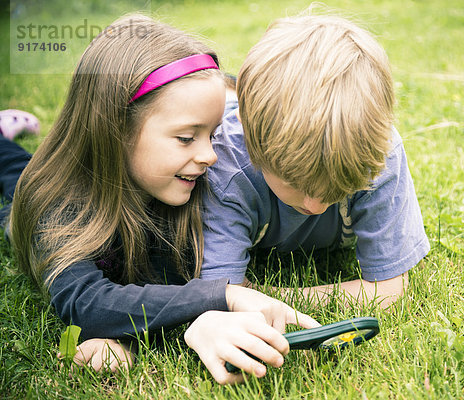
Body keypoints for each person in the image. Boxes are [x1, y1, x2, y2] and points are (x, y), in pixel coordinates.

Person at [2, 15, 318, 385]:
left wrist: (133, 336)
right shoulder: (55, 207)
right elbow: (86, 302)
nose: (210, 155)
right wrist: (223, 296)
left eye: (212, 134)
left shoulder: (187, 181)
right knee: (17, 177)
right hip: (34, 198)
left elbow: (167, 278)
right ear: (115, 129)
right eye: (187, 138)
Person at [198, 14, 430, 308]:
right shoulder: (224, 165)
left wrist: (264, 296)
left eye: (339, 187)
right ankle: (231, 92)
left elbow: (390, 287)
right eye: (295, 183)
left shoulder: (379, 153)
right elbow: (221, 294)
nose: (316, 205)